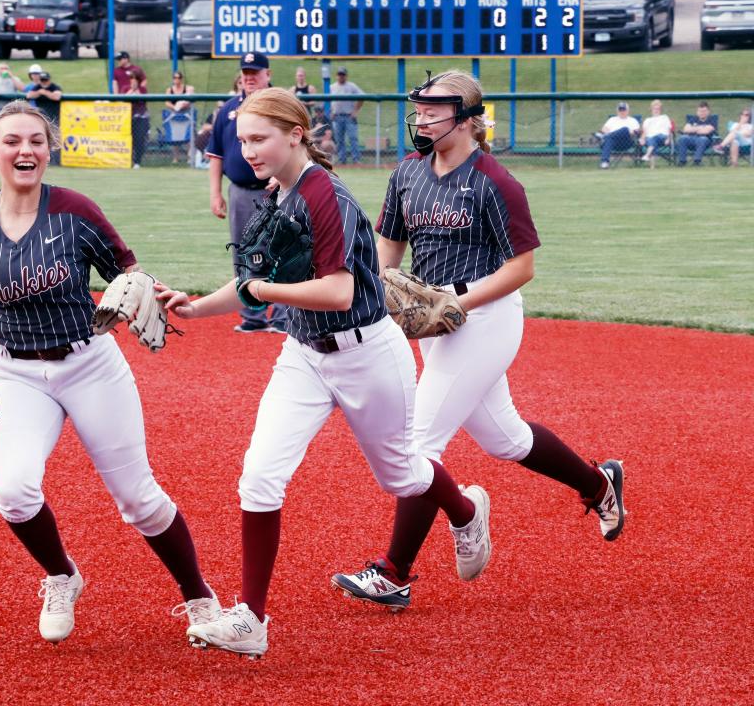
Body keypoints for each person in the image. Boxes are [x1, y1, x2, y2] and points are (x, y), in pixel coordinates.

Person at [157, 87, 492, 659]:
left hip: (367, 353)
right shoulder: (278, 194)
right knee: (259, 476)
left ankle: (465, 510)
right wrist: (193, 306)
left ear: (296, 134)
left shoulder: (324, 196)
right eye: (242, 140)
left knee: (402, 476)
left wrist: (258, 292)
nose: (249, 150)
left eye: (260, 138)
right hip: (303, 355)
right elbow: (250, 285)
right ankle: (251, 619)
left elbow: (337, 292)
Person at [0, 100, 220, 645]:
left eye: (36, 140)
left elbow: (127, 273)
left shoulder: (75, 211)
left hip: (89, 364)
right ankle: (62, 576)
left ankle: (199, 596)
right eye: (12, 141)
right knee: (12, 491)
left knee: (137, 497)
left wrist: (147, 291)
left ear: (48, 149)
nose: (25, 150)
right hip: (15, 372)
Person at [332, 70, 626, 608]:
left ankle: (393, 571)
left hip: (485, 318)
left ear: (468, 120)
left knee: (419, 443)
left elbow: (523, 267)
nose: (421, 119)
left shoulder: (495, 181)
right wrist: (376, 296)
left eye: (434, 111)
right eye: (418, 110)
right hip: (431, 323)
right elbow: (389, 252)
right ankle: (599, 484)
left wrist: (458, 300)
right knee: (506, 439)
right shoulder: (407, 174)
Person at [205, 52, 287, 334]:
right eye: (246, 72)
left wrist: (284, 174)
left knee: (285, 250)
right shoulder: (228, 110)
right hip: (240, 191)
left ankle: (283, 317)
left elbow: (299, 146)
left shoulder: (281, 109)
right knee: (244, 253)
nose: (249, 77)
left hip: (278, 191)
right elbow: (216, 155)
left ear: (268, 74)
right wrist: (216, 194)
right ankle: (253, 316)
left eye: (255, 71)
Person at [25, 71, 63, 164]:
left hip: (54, 118)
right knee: (42, 139)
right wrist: (39, 92)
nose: (44, 82)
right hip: (41, 119)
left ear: (49, 80)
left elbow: (56, 96)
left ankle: (56, 162)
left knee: (55, 140)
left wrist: (44, 92)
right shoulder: (37, 87)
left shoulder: (54, 87)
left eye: (45, 80)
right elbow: (29, 95)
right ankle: (43, 161)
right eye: (42, 80)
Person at [329, 67, 364, 164]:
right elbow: (326, 101)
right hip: (337, 116)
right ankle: (342, 160)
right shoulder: (332, 87)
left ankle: (356, 159)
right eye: (339, 74)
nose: (341, 76)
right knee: (339, 139)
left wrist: (356, 110)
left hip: (349, 116)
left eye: (343, 74)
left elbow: (362, 96)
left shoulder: (351, 86)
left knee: (353, 138)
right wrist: (331, 111)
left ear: (346, 76)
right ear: (336, 76)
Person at [596, 101, 640, 169]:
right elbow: (604, 129)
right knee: (609, 140)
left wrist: (629, 132)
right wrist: (607, 132)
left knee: (625, 129)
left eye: (624, 110)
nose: (622, 112)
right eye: (620, 110)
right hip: (614, 143)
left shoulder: (633, 120)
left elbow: (636, 132)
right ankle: (605, 162)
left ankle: (604, 136)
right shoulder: (612, 119)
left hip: (626, 142)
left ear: (628, 111)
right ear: (617, 111)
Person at [165, 71, 195, 164]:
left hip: (186, 115)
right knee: (175, 137)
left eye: (178, 78)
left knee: (189, 137)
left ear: (181, 79)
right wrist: (175, 108)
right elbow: (167, 102)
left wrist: (183, 105)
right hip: (174, 116)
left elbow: (191, 99)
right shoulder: (169, 90)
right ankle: (175, 158)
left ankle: (189, 158)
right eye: (175, 78)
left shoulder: (188, 88)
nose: (176, 80)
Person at [676, 101, 719, 166]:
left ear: (708, 111)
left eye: (704, 111)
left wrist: (693, 128)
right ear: (697, 112)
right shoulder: (693, 118)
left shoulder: (712, 119)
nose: (702, 113)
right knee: (682, 138)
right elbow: (685, 129)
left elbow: (705, 132)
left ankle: (697, 161)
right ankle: (682, 161)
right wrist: (702, 127)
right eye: (700, 111)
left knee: (702, 139)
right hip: (692, 139)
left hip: (706, 141)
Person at [639, 99, 672, 167]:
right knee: (652, 141)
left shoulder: (665, 117)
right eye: (654, 109)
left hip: (662, 137)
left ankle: (647, 156)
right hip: (650, 138)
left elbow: (669, 129)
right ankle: (651, 165)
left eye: (658, 109)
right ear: (651, 109)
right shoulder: (647, 120)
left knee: (653, 139)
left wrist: (668, 139)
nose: (656, 110)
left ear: (660, 110)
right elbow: (645, 132)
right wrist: (642, 139)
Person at [126, 72, 149, 168]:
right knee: (129, 140)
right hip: (128, 119)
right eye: (132, 81)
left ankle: (137, 162)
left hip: (141, 118)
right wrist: (132, 90)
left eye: (135, 81)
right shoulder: (126, 89)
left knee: (139, 140)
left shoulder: (143, 90)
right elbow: (124, 99)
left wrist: (137, 90)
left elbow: (142, 100)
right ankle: (128, 160)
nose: (133, 83)